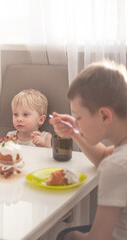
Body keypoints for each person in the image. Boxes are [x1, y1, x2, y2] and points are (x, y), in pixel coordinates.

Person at [50, 61, 127, 240]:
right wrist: (75, 132)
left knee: (66, 235)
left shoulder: (115, 166)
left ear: (105, 115)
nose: (76, 122)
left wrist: (74, 236)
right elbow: (103, 156)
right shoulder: (120, 154)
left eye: (78, 116)